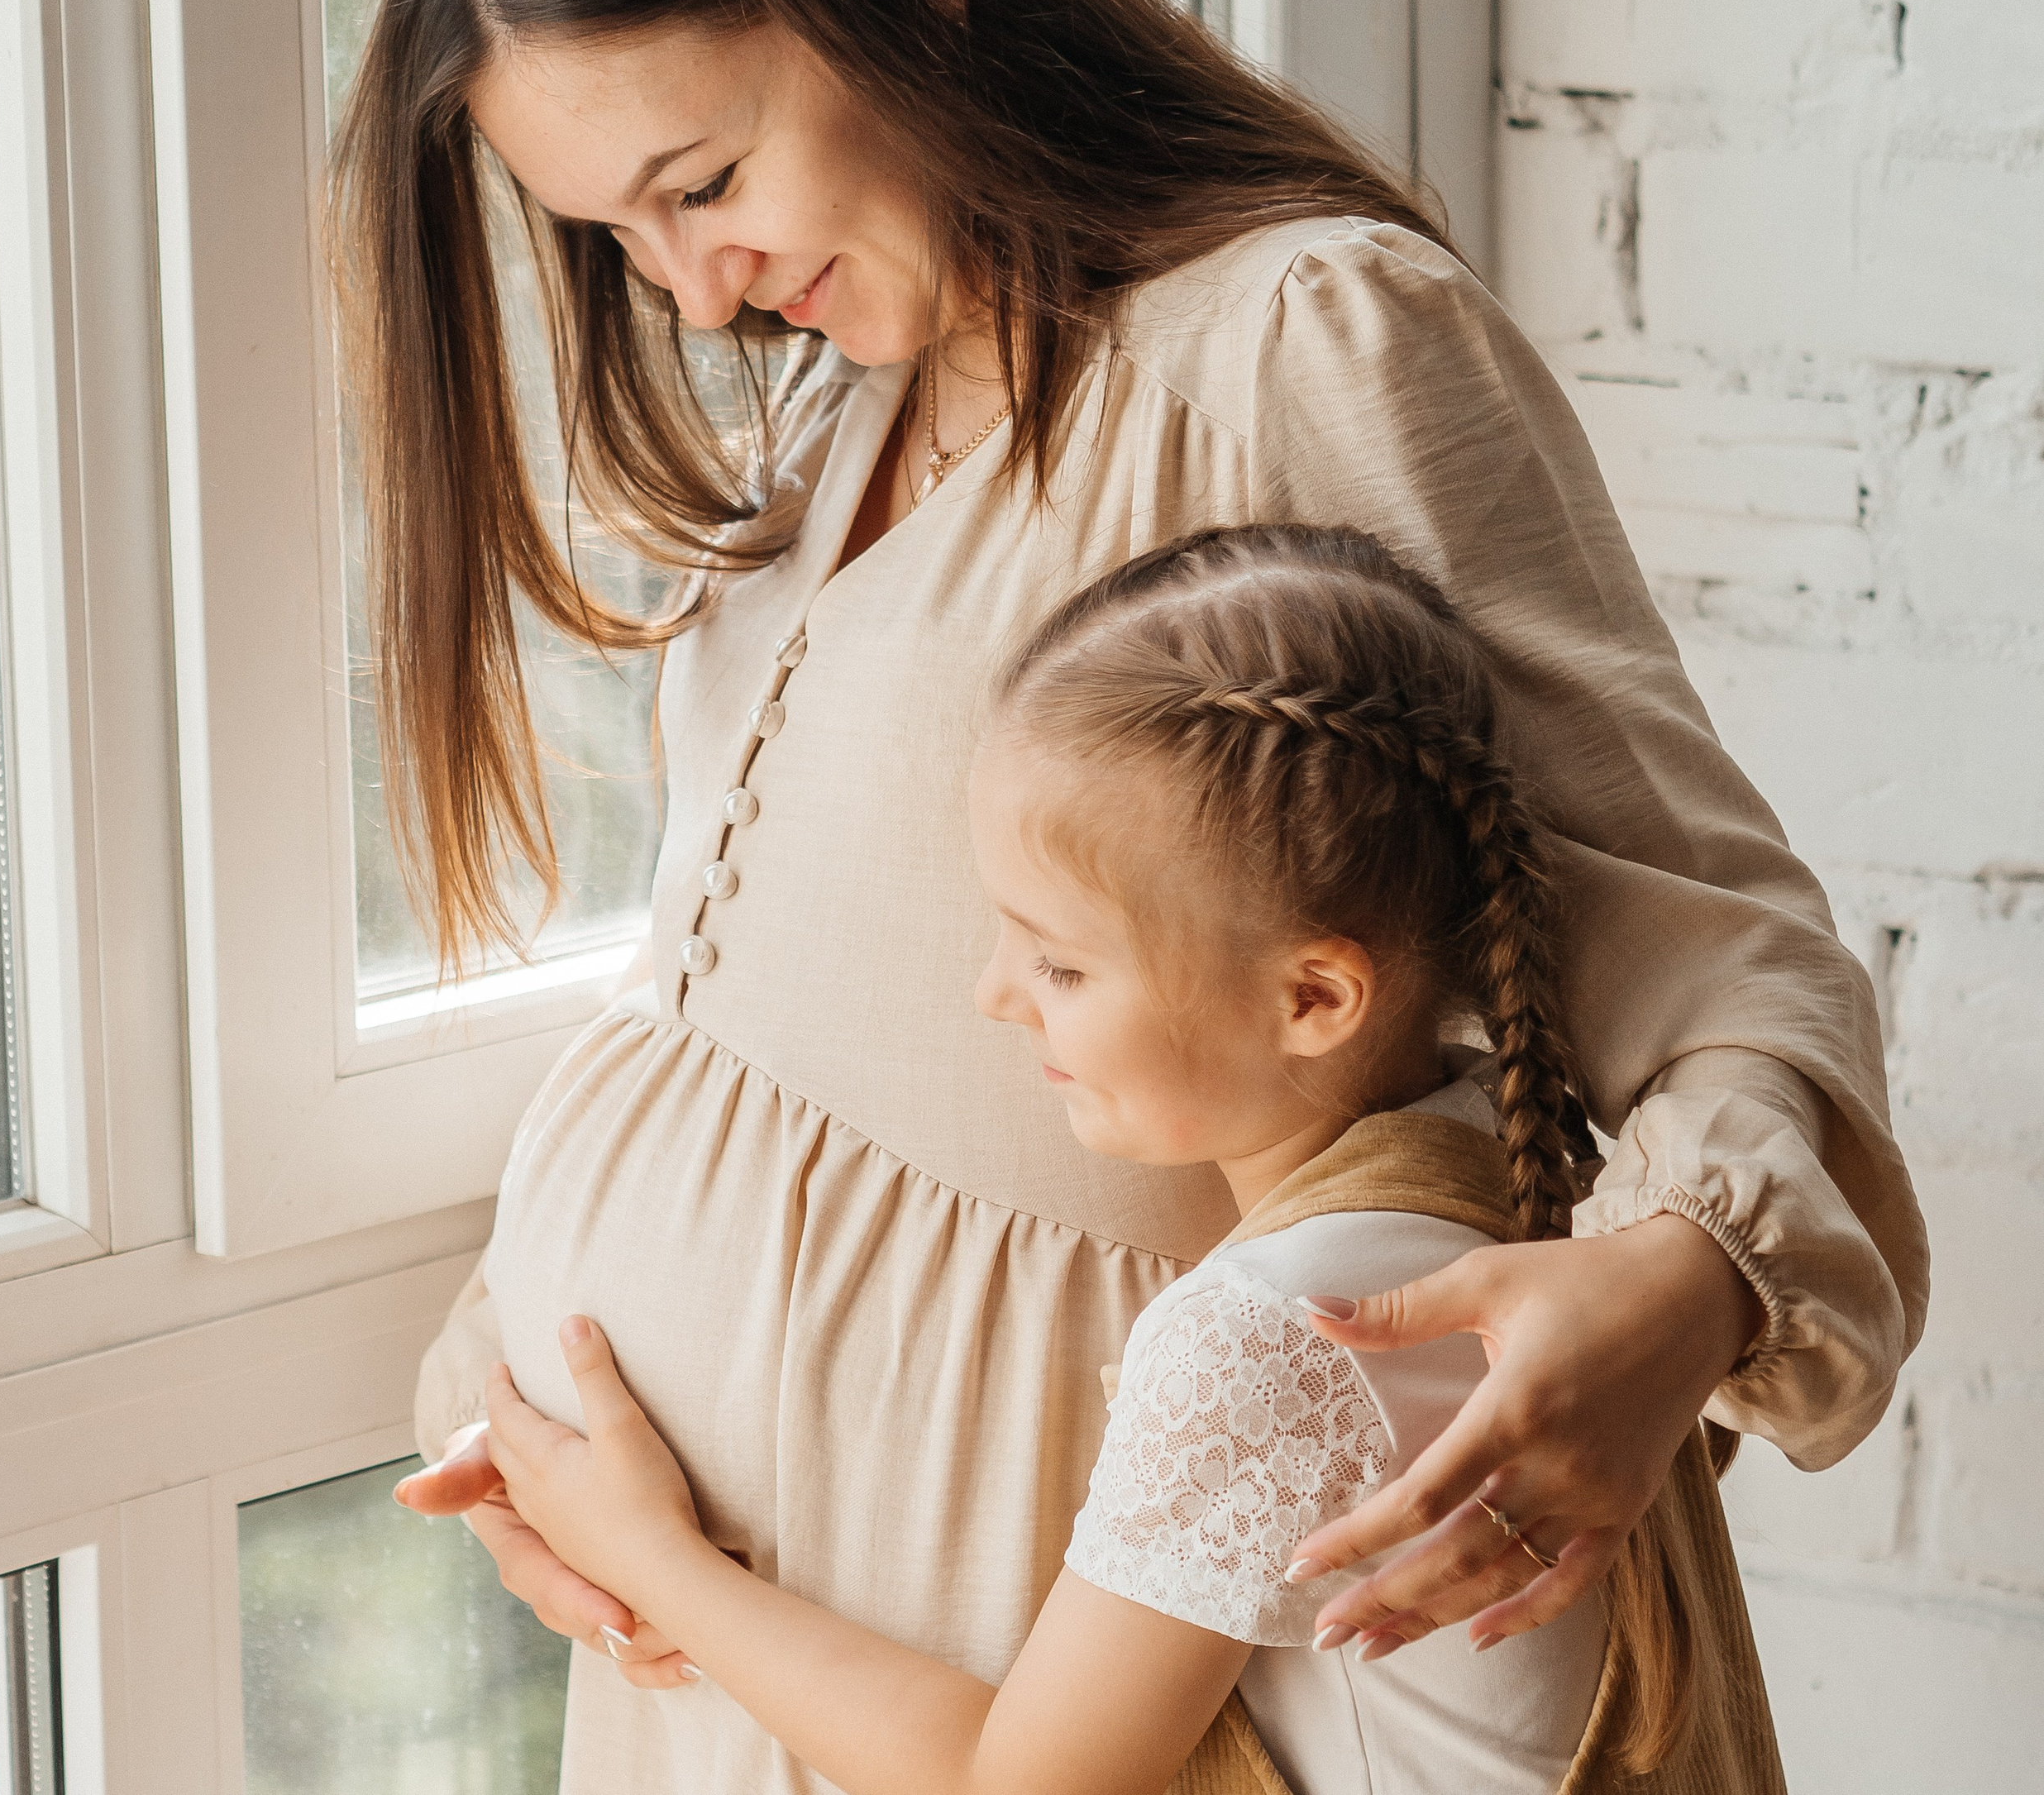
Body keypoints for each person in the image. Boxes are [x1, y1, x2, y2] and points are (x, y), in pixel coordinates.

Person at [355, 0, 1925, 1784]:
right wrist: (532, 1423)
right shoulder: (850, 399)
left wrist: (1683, 1281)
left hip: (1030, 1624)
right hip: (736, 1640)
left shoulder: (1292, 342)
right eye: (613, 235)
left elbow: (1716, 946)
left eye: (703, 177)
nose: (696, 294)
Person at [472, 524, 1784, 1795]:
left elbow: (1016, 1784)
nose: (997, 992)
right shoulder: (1510, 1152)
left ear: (1314, 998)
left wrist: (651, 1553)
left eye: (1061, 961)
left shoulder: (1291, 1327)